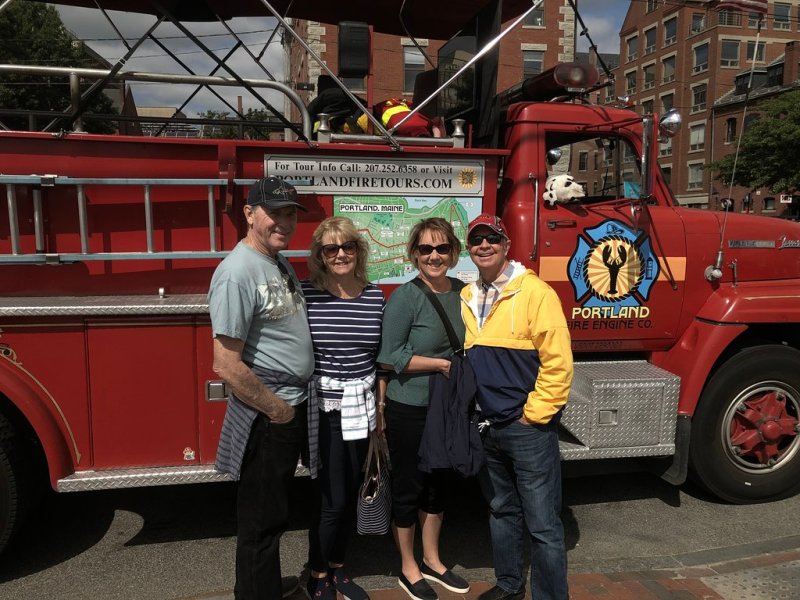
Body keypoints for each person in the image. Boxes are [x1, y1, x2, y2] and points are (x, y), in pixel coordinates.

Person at [209, 176, 313, 600]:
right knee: (260, 523)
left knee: (273, 516)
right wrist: (279, 411)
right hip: (270, 417)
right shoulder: (237, 272)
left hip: (286, 409)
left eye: (290, 214)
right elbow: (226, 364)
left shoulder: (275, 260)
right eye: (275, 213)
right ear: (249, 214)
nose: (284, 223)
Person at [460, 214, 573, 600]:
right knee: (501, 512)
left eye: (492, 238)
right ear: (469, 249)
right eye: (477, 240)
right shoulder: (468, 296)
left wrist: (534, 415)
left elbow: (558, 363)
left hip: (525, 428)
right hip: (486, 426)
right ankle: (509, 587)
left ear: (507, 245)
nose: (484, 246)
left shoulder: (535, 292)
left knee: (543, 526)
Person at [376, 217, 471, 600]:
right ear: (414, 253)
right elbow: (388, 356)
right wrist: (441, 364)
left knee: (438, 485)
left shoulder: (465, 292)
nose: (434, 256)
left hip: (447, 407)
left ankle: (432, 559)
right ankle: (408, 566)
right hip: (410, 407)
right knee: (410, 486)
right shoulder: (405, 297)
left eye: (442, 248)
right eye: (425, 249)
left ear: (454, 252)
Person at [301, 217, 385, 600]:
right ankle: (317, 573)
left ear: (358, 249)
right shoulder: (307, 294)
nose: (340, 255)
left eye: (347, 246)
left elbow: (378, 359)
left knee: (350, 493)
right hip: (325, 409)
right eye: (330, 249)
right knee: (330, 499)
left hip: (363, 409)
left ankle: (337, 568)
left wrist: (380, 409)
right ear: (320, 255)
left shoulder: (374, 296)